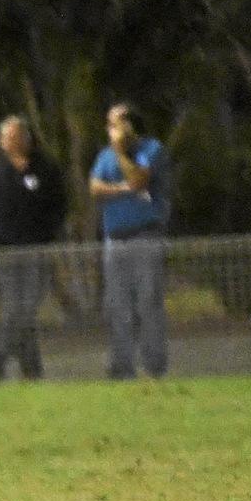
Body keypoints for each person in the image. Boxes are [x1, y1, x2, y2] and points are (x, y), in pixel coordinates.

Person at [0, 116, 66, 380]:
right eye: (7, 137)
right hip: (7, 253)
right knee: (14, 308)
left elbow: (58, 206)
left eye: (16, 136)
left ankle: (1, 353)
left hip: (36, 250)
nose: (11, 141)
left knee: (27, 308)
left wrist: (49, 233)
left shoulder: (45, 170)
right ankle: (31, 368)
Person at [88, 102, 170, 380]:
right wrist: (121, 188)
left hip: (145, 234)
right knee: (118, 304)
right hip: (115, 238)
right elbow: (95, 188)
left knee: (148, 301)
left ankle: (154, 365)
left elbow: (138, 180)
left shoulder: (151, 150)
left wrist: (123, 153)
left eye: (117, 123)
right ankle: (122, 365)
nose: (112, 130)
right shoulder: (104, 156)